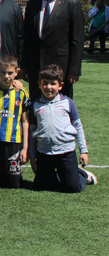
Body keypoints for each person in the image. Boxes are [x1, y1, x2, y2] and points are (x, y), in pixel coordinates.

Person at [28, 64, 98, 192]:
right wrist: (32, 156)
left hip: (66, 152)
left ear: (60, 85)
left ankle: (82, 174)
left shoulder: (68, 103)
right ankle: (59, 175)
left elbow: (78, 127)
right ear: (39, 84)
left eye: (53, 83)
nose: (49, 87)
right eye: (45, 83)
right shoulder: (35, 105)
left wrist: (83, 151)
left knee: (72, 187)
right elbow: (32, 132)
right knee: (41, 186)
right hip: (44, 153)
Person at [20, 0, 84, 99]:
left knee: (61, 106)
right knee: (36, 105)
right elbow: (27, 38)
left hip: (61, 68)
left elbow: (77, 40)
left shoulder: (72, 4)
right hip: (36, 67)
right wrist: (24, 66)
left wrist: (74, 69)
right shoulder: (32, 5)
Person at [0, 54, 29, 188]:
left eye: (10, 73)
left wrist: (25, 148)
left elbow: (25, 122)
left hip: (13, 140)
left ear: (16, 72)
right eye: (2, 72)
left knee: (13, 184)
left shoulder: (22, 93)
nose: (6, 76)